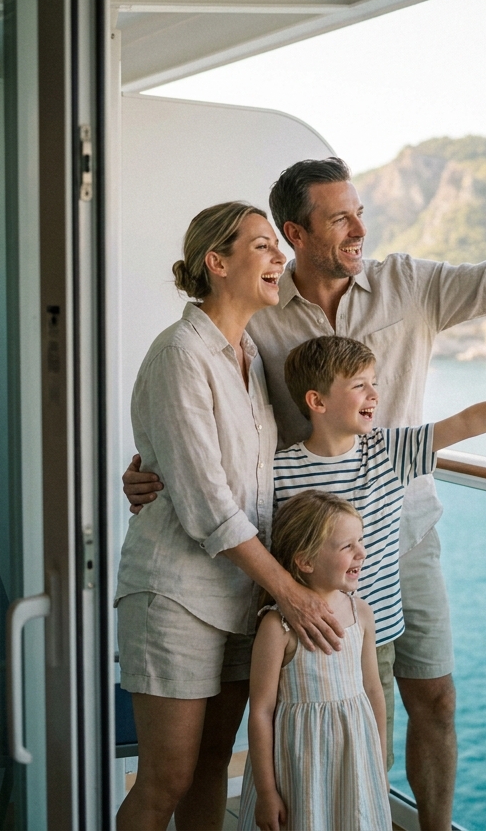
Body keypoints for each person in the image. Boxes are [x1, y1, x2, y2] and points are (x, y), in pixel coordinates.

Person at [124, 157, 486, 829]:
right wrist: (152, 472)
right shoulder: (256, 317)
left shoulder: (407, 284)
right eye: (339, 217)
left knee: (433, 697)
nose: (358, 228)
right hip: (303, 556)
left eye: (360, 211)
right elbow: (206, 433)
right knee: (321, 706)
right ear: (296, 231)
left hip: (404, 536)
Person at [114, 202, 346, 831]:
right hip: (175, 593)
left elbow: (263, 476)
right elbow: (207, 504)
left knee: (214, 763)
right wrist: (291, 594)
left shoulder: (250, 359)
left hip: (240, 593)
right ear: (217, 262)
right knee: (166, 776)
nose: (280, 257)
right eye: (263, 246)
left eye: (279, 246)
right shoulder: (180, 356)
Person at [272, 334, 486, 756]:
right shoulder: (279, 469)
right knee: (302, 757)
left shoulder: (390, 451)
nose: (374, 394)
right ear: (316, 401)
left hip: (372, 642)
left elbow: (471, 421)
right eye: (359, 385)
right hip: (302, 642)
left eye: (374, 382)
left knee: (371, 760)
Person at [237, 492, 392, 831]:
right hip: (299, 766)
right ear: (305, 561)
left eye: (361, 541)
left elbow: (372, 690)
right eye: (346, 546)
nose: (361, 553)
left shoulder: (360, 613)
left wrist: (377, 763)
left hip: (353, 762)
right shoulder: (277, 626)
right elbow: (261, 711)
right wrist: (266, 792)